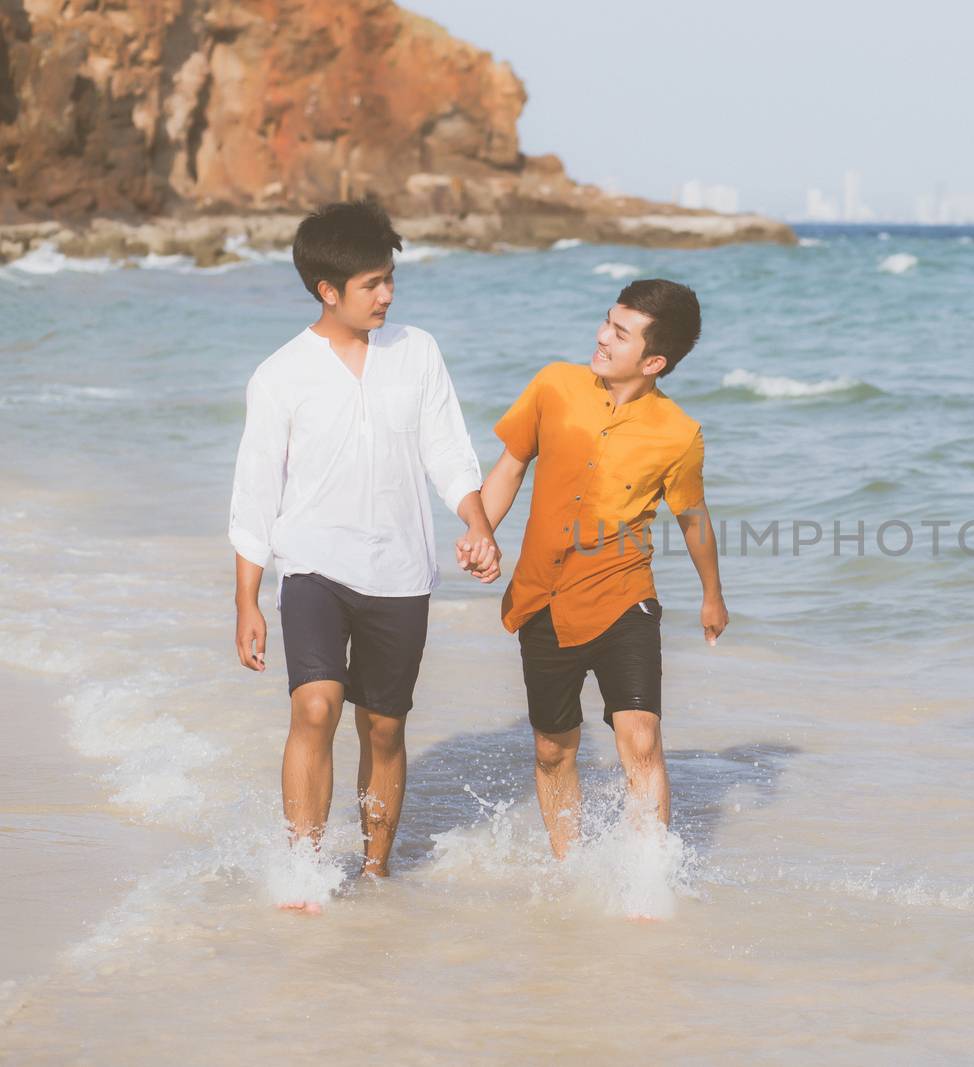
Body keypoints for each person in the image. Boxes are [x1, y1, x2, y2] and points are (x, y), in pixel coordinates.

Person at [229, 199, 500, 908]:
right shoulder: (280, 374)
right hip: (313, 566)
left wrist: (476, 521)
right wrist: (246, 601)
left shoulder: (417, 351)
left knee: (383, 725)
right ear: (328, 290)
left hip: (401, 570)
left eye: (390, 281)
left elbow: (448, 449)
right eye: (372, 284)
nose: (386, 295)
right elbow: (256, 492)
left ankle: (376, 872)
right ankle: (304, 873)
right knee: (315, 706)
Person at [480, 279, 727, 859]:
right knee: (552, 749)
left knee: (640, 737)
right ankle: (570, 867)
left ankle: (649, 878)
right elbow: (511, 466)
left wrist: (712, 595)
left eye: (620, 333)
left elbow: (693, 517)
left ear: (655, 360)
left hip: (625, 598)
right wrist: (479, 531)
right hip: (542, 597)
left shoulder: (679, 434)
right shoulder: (554, 385)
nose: (602, 336)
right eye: (606, 322)